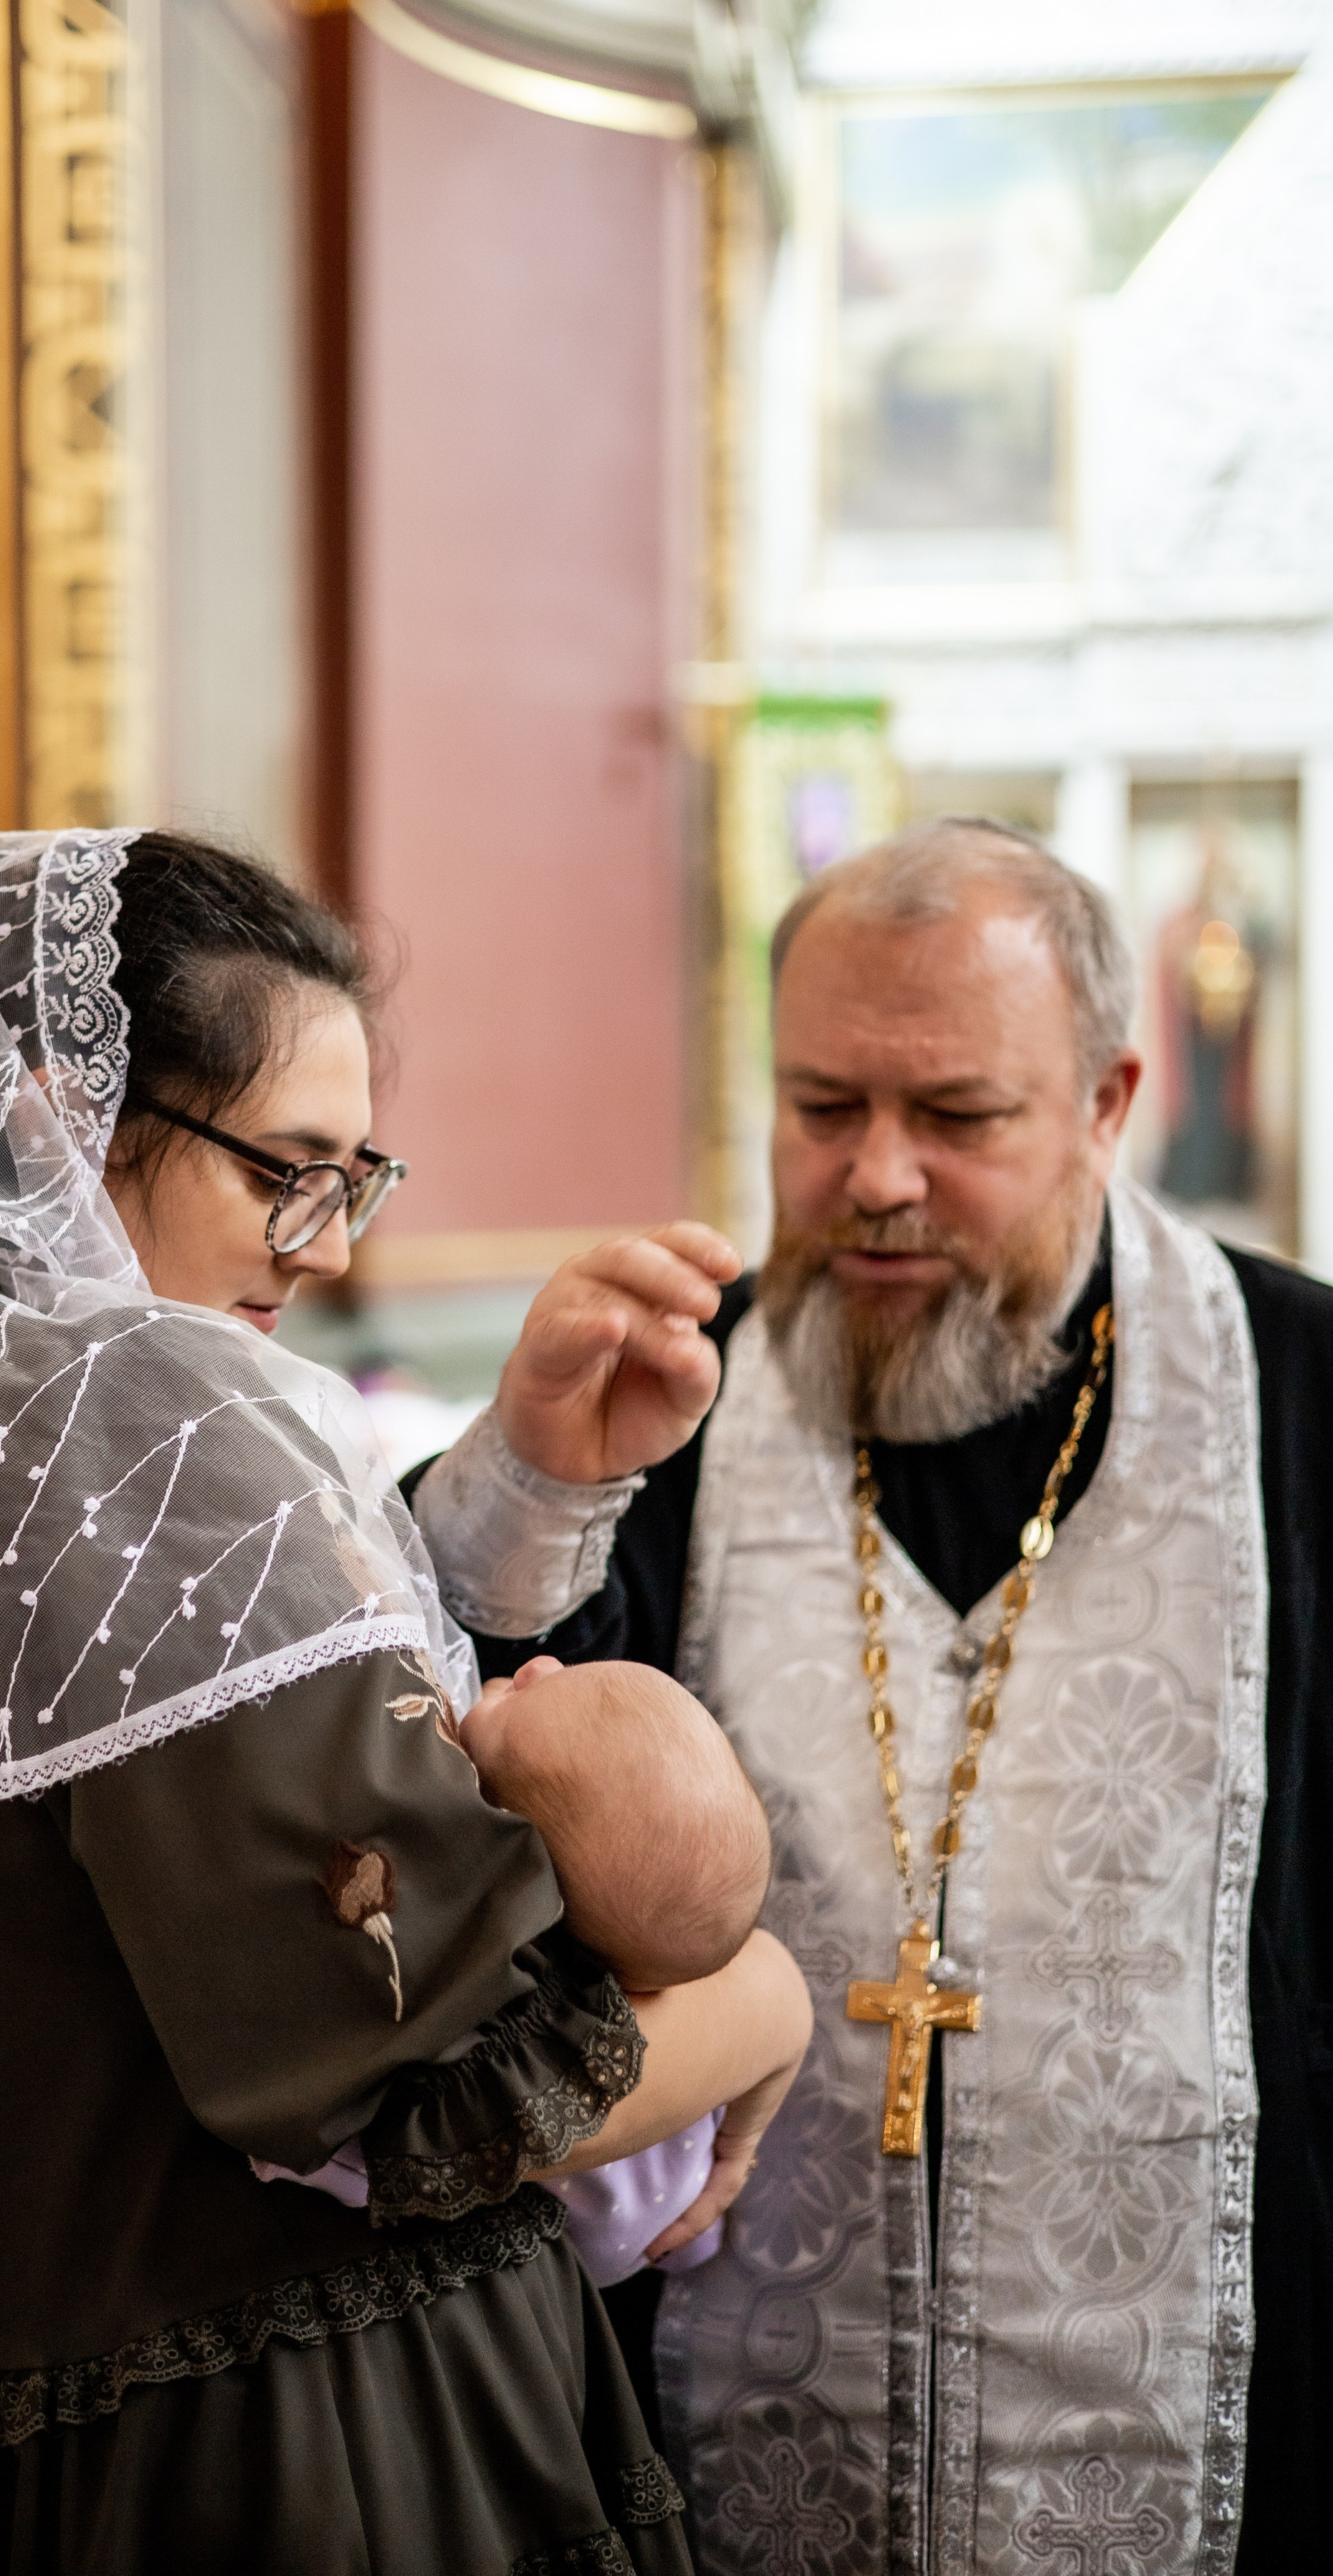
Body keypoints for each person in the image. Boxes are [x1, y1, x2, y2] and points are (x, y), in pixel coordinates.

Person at [0, 827, 803, 2576]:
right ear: (58, 1121)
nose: (319, 1247)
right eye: (285, 1172)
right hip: (249, 2453)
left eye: (354, 1179)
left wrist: (521, 1491)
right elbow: (425, 2095)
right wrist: (765, 1997)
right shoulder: (148, 1412)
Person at [410, 816, 1332, 2573]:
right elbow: (435, 1786)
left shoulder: (1298, 1401)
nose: (876, 1176)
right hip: (719, 2404)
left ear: (1107, 1099)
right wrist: (528, 1484)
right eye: (820, 1106)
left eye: (955, 1115)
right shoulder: (656, 1398)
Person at [459, 1658, 812, 2291]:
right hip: (653, 2231)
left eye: (511, 1717)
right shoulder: (678, 2022)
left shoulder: (501, 2036)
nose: (539, 1667)